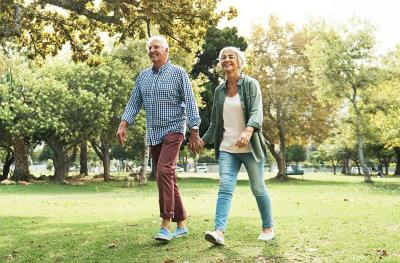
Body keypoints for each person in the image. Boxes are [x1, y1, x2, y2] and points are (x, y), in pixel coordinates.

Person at [116, 36, 202, 242]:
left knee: (164, 170)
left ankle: (166, 223)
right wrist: (123, 123)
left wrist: (194, 129)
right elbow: (134, 102)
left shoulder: (178, 73)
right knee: (167, 175)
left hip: (174, 129)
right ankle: (181, 222)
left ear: (166, 50)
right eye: (150, 48)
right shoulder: (143, 76)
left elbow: (190, 101)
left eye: (157, 47)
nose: (152, 50)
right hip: (154, 132)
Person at [200, 47, 274, 245]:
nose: (226, 60)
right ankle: (219, 232)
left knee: (258, 188)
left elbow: (257, 112)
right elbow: (215, 123)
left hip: (251, 148)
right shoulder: (219, 91)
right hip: (227, 148)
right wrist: (202, 140)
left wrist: (248, 131)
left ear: (239, 61)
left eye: (230, 57)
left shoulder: (251, 85)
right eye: (223, 58)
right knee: (225, 187)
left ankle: (268, 227)